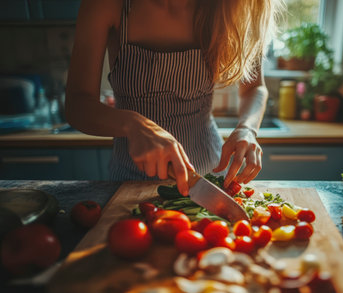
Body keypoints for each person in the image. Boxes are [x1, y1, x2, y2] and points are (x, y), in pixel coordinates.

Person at [65, 0, 282, 196]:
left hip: (210, 178)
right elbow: (77, 104)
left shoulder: (229, 6)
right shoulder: (107, 5)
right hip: (130, 182)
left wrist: (247, 128)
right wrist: (133, 124)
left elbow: (255, 87)